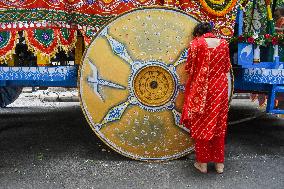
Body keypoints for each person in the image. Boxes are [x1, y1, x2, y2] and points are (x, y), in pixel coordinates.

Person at [180, 22, 231, 174]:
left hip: (202, 89)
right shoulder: (223, 44)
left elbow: (189, 67)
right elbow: (226, 67)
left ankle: (202, 164)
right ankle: (219, 164)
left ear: (197, 33)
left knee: (202, 124)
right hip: (220, 88)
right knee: (219, 124)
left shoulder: (196, 44)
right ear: (211, 31)